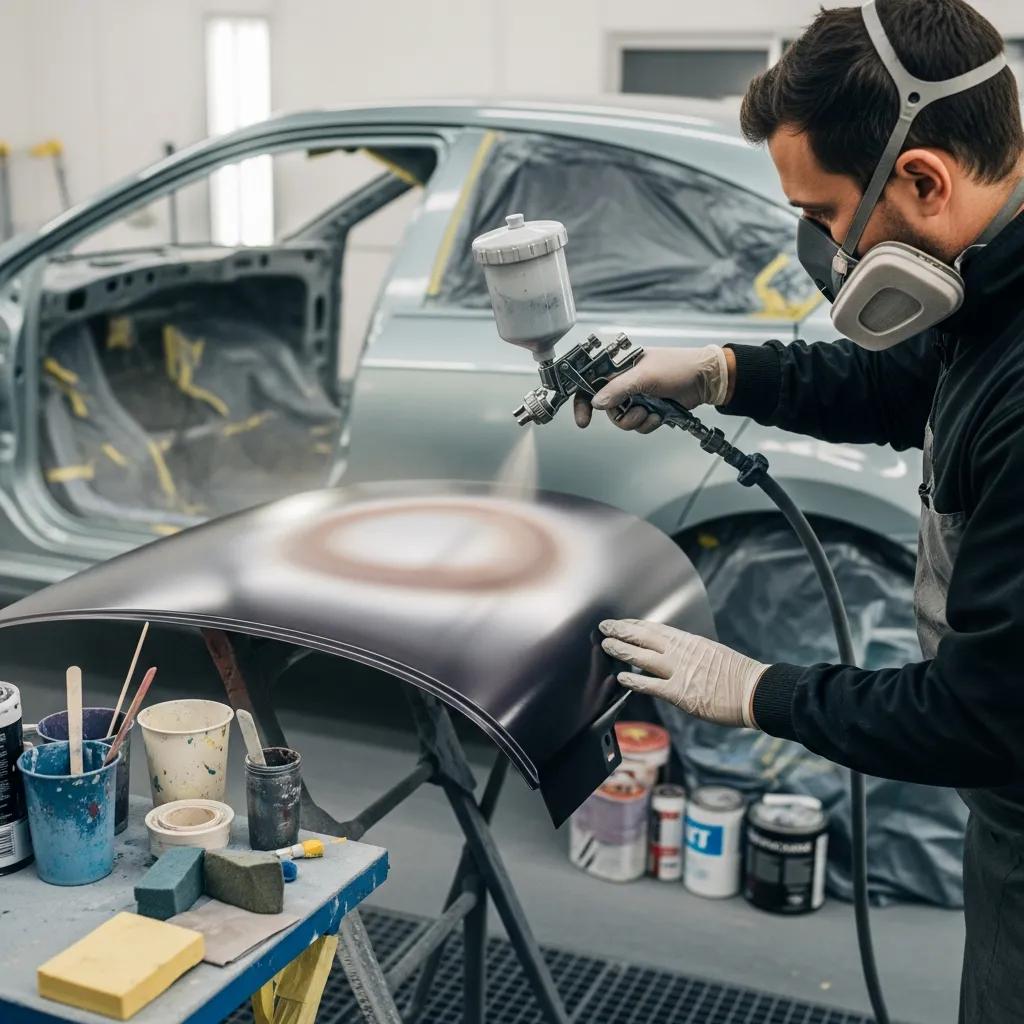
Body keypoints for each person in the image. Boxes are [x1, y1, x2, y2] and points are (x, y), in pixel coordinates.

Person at [576, 1, 1024, 1020]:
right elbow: (901, 386)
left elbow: (983, 718)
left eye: (826, 218)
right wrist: (720, 372)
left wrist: (758, 690)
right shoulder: (992, 274)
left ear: (922, 179)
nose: (826, 251)